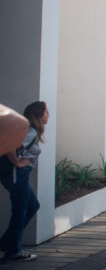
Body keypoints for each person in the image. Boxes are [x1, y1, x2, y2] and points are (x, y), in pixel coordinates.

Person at [0, 101, 47, 263]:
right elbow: (10, 147)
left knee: (32, 205)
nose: (48, 115)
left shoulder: (32, 132)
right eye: (46, 112)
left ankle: (8, 242)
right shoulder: (30, 132)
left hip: (19, 175)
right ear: (40, 115)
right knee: (20, 211)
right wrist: (19, 164)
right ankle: (13, 251)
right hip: (17, 174)